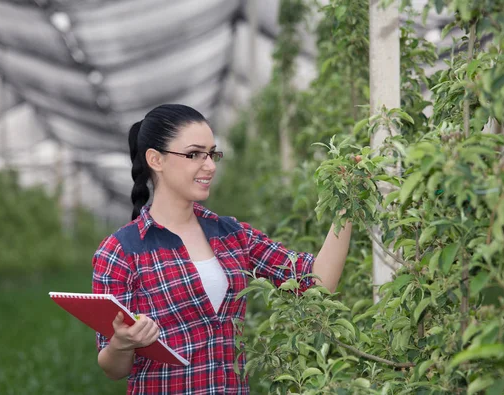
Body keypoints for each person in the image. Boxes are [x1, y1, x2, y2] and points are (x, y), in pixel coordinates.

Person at [92, 104, 352, 394]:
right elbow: (112, 368)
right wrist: (122, 343)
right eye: (194, 154)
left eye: (212, 153)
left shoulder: (232, 236)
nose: (210, 165)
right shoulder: (121, 251)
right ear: (156, 159)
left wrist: (346, 206)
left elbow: (316, 282)